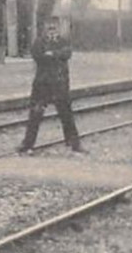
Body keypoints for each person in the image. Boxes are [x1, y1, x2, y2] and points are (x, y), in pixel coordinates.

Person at [18, 18, 85, 154]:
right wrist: (55, 56)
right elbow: (37, 55)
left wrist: (52, 54)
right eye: (49, 26)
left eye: (54, 26)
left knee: (67, 116)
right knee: (35, 115)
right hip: (42, 85)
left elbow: (67, 54)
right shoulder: (39, 42)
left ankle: (74, 144)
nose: (51, 29)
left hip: (60, 85)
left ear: (58, 28)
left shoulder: (63, 41)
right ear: (44, 28)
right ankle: (27, 144)